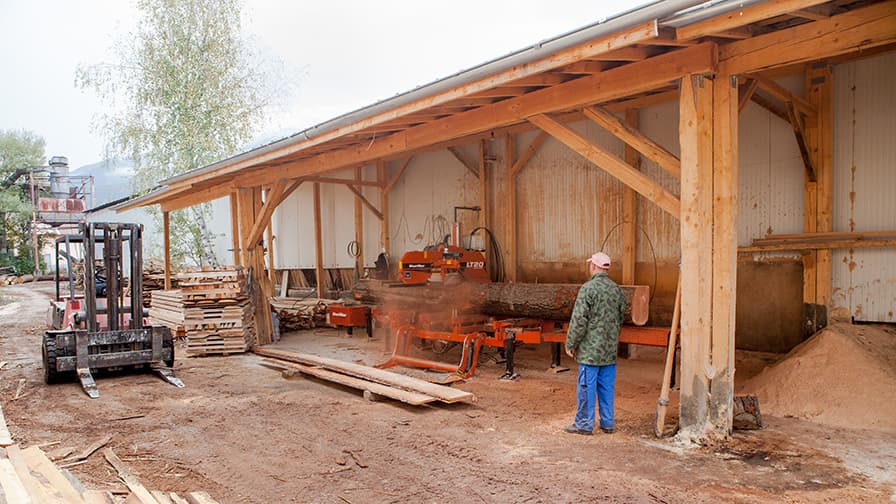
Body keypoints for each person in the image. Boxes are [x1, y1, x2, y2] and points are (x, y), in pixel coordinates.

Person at [563, 251, 626, 435]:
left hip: (590, 352)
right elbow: (621, 317)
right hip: (609, 351)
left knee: (586, 387)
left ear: (593, 266)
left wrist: (570, 343)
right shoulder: (616, 290)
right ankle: (607, 422)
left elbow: (579, 320)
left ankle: (584, 423)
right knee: (606, 387)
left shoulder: (588, 289)